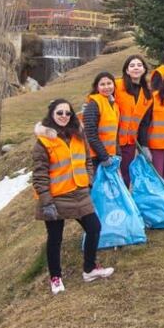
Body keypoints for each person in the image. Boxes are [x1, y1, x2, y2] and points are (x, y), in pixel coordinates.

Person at [33, 98, 113, 295]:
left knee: (94, 227)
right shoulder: (43, 141)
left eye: (68, 113)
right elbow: (39, 174)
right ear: (51, 114)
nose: (64, 116)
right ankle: (55, 277)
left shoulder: (79, 135)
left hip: (79, 192)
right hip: (56, 196)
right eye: (59, 113)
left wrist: (89, 181)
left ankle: (89, 269)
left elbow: (87, 160)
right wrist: (46, 201)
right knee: (55, 238)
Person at [113, 55, 151, 187]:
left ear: (144, 70)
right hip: (111, 140)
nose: (136, 68)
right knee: (111, 175)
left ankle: (124, 205)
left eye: (139, 65)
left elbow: (144, 123)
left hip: (129, 142)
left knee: (125, 175)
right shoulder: (116, 86)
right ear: (127, 70)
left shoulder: (147, 94)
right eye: (132, 65)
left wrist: (144, 145)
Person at [80, 72, 121, 170]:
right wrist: (104, 157)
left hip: (109, 156)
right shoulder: (94, 104)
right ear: (97, 87)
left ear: (114, 86)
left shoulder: (114, 105)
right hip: (97, 157)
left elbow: (115, 133)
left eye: (109, 83)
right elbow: (90, 134)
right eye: (102, 84)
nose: (106, 87)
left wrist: (118, 153)